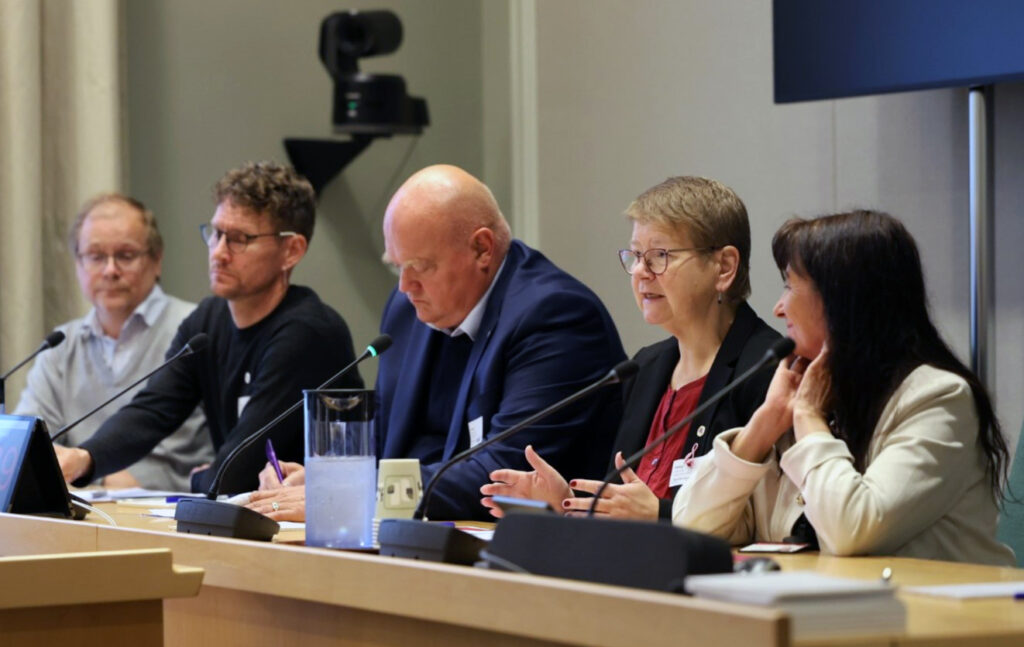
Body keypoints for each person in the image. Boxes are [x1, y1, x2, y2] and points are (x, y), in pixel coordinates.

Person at [246, 164, 625, 521]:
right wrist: (323, 478)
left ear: (482, 249)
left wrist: (349, 494)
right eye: (397, 266)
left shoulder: (555, 316)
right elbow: (385, 441)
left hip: (524, 559)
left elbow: (504, 473)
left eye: (420, 266)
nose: (404, 286)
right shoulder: (407, 309)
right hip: (415, 537)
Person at [674, 210, 1015, 565]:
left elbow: (853, 529)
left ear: (842, 301)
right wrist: (766, 422)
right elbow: (693, 528)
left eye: (789, 285)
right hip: (817, 611)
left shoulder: (937, 399)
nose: (778, 308)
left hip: (940, 616)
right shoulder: (795, 396)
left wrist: (808, 418)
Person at [480, 176, 780, 520]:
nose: (639, 272)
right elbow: (625, 506)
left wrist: (660, 515)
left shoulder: (766, 370)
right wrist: (568, 504)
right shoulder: (646, 368)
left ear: (724, 267)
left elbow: (760, 524)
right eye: (636, 256)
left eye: (659, 256)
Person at [55, 161, 361, 494]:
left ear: (291, 251)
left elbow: (235, 472)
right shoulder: (208, 321)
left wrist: (199, 478)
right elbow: (154, 409)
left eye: (240, 239)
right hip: (253, 516)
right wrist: (83, 458)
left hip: (321, 523)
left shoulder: (307, 333)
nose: (219, 252)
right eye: (216, 234)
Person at [15, 194, 213, 491]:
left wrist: (89, 473)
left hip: (173, 510)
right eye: (95, 256)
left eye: (125, 255)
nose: (110, 270)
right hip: (80, 507)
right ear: (78, 264)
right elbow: (26, 448)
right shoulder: (60, 346)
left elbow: (197, 454)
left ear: (156, 260)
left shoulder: (197, 332)